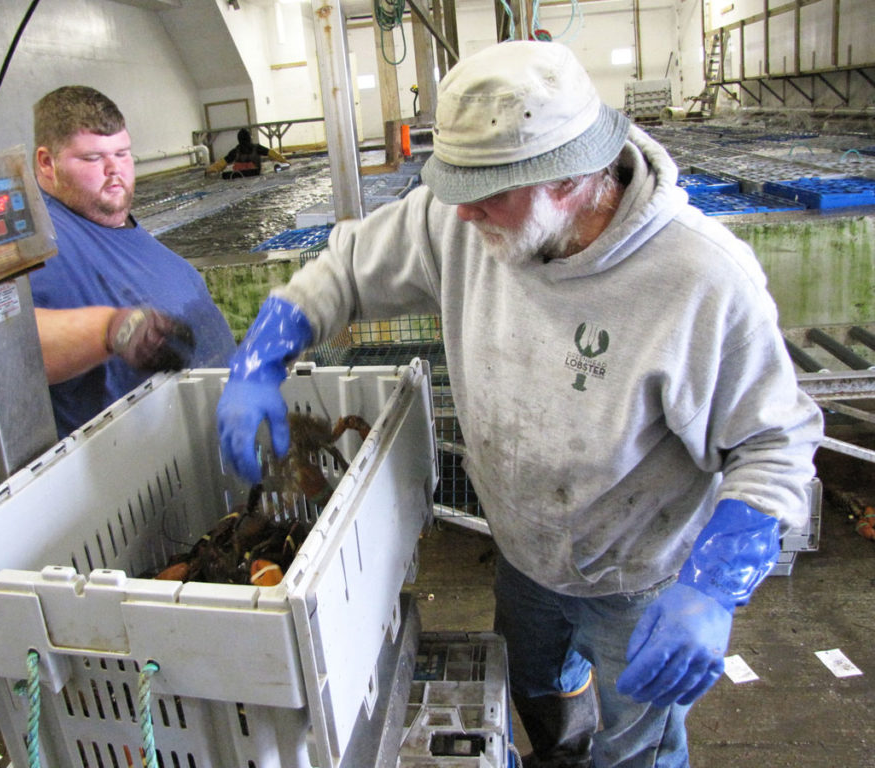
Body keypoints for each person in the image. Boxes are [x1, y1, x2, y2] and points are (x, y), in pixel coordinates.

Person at [214, 42, 824, 768]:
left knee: (637, 743)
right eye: (458, 185)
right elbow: (345, 267)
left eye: (490, 190)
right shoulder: (462, 221)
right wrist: (260, 358)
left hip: (638, 577)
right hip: (525, 555)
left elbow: (775, 443)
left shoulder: (701, 279)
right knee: (537, 691)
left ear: (571, 178)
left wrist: (713, 588)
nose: (463, 209)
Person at [30, 85, 236, 437]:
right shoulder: (40, 238)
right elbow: (12, 351)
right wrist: (111, 329)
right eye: (93, 159)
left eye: (122, 154)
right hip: (130, 458)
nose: (114, 170)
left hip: (210, 434)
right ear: (47, 163)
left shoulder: (113, 225)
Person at [205, 128, 289, 178]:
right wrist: (285, 162)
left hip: (237, 176)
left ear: (239, 140)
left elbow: (220, 164)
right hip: (254, 174)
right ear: (250, 138)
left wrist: (210, 170)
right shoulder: (257, 148)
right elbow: (274, 154)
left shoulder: (235, 151)